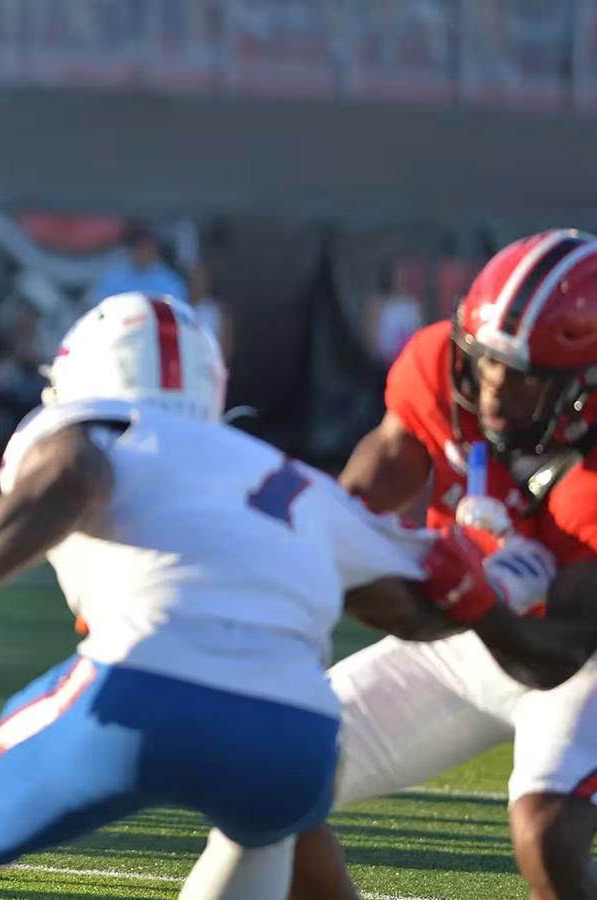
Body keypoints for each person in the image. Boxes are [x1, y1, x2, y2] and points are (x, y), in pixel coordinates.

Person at [0, 292, 597, 900]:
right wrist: (495, 591)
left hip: (142, 687)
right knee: (258, 841)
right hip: (293, 735)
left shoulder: (81, 428)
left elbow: (72, 477)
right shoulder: (284, 474)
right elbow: (411, 602)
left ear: (81, 373)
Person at [189, 229, 597, 900]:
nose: (492, 389)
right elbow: (358, 502)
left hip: (576, 659)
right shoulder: (442, 365)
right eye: (485, 362)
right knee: (271, 775)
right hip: (474, 631)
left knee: (548, 835)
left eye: (522, 378)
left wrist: (472, 595)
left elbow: (555, 657)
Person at [87, 221, 188, 306]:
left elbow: (176, 315)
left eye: (147, 248)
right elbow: (97, 308)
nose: (143, 252)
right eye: (139, 247)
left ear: (155, 250)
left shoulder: (170, 282)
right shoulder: (113, 277)